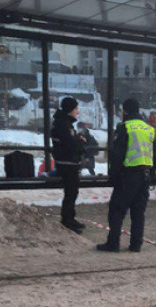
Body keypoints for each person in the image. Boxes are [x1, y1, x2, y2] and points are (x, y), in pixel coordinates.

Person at [97, 99, 156, 252]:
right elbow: (155, 156)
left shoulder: (125, 127)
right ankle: (136, 245)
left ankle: (113, 243)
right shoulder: (149, 129)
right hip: (144, 175)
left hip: (128, 175)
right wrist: (152, 174)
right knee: (138, 212)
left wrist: (114, 175)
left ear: (125, 111)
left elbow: (117, 155)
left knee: (117, 210)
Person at [51, 97, 86, 234]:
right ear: (70, 109)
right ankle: (67, 220)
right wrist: (80, 142)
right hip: (67, 164)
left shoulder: (63, 123)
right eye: (76, 109)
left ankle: (70, 218)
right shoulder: (63, 124)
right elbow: (70, 145)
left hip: (67, 162)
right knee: (71, 192)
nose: (77, 112)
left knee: (72, 192)